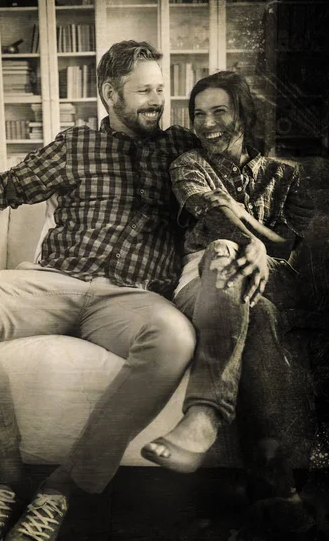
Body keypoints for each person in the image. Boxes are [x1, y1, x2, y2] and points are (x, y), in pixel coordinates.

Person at [0, 40, 199, 541]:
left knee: (175, 338)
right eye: (144, 91)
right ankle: (5, 479)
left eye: (161, 89)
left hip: (133, 297)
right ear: (109, 94)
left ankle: (61, 487)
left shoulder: (183, 148)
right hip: (54, 280)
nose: (157, 100)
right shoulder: (76, 144)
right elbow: (11, 184)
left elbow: (231, 175)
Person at [141, 70, 322, 535]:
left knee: (258, 309)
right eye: (199, 113)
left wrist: (263, 247)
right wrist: (256, 242)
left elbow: (294, 251)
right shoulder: (188, 164)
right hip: (198, 283)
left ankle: (265, 485)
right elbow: (213, 213)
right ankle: (276, 488)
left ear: (243, 113)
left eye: (220, 110)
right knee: (224, 253)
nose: (207, 122)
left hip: (267, 289)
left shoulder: (288, 175)